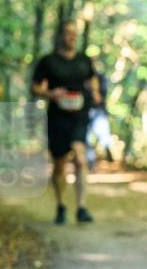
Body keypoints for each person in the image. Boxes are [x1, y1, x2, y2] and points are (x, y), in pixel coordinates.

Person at [31, 20, 100, 225]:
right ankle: (61, 206)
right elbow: (35, 87)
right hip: (57, 117)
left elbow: (92, 78)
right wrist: (51, 94)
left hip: (79, 115)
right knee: (59, 164)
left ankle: (81, 207)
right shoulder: (48, 61)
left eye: (74, 33)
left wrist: (95, 92)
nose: (72, 37)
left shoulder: (84, 60)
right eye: (68, 33)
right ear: (60, 35)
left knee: (80, 158)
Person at [85, 69, 113, 171]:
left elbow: (101, 97)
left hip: (99, 110)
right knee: (87, 138)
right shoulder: (83, 78)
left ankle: (107, 147)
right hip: (87, 111)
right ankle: (91, 161)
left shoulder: (101, 78)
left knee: (103, 133)